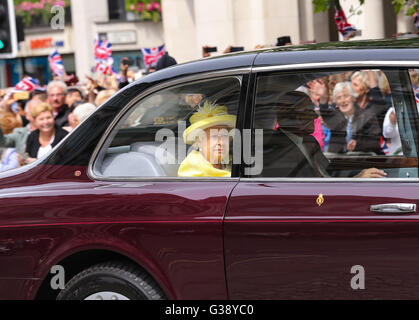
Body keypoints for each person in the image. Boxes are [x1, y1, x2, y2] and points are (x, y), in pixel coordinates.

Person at [263, 91, 386, 178]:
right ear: (296, 116)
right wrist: (357, 180)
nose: (315, 116)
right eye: (309, 111)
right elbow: (308, 190)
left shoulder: (309, 141)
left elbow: (328, 172)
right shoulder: (278, 147)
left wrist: (360, 174)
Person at [318, 81, 381, 154]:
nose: (343, 101)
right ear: (336, 103)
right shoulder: (335, 116)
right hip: (338, 160)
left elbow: (375, 143)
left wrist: (357, 144)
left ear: (353, 98)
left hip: (360, 159)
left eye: (346, 96)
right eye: (339, 98)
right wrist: (323, 97)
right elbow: (324, 111)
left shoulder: (367, 116)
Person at [178, 102, 236, 177]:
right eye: (214, 136)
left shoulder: (228, 161)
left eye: (224, 136)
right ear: (199, 141)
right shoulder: (192, 166)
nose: (220, 142)